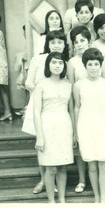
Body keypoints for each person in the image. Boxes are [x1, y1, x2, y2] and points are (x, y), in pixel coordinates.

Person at [22, 30, 69, 194]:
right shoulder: (39, 59)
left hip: (59, 107)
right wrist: (41, 93)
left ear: (64, 45)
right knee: (42, 145)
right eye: (53, 42)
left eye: (60, 42)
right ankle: (43, 180)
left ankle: (55, 182)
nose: (56, 45)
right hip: (42, 104)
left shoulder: (64, 61)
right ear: (47, 44)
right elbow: (28, 82)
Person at [73, 48, 105, 203]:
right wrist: (76, 130)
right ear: (85, 66)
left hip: (104, 126)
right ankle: (97, 198)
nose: (93, 67)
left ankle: (104, 199)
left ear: (101, 66)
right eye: (90, 64)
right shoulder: (79, 85)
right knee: (92, 166)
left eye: (96, 64)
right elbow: (77, 107)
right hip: (86, 126)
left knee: (104, 165)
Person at [33, 51, 74, 203]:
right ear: (48, 65)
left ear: (64, 66)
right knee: (50, 168)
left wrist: (74, 133)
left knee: (63, 167)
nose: (57, 66)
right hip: (47, 126)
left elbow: (71, 110)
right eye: (53, 62)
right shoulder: (41, 85)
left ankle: (62, 200)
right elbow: (36, 112)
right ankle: (51, 201)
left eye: (60, 63)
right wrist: (40, 136)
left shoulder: (68, 85)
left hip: (64, 125)